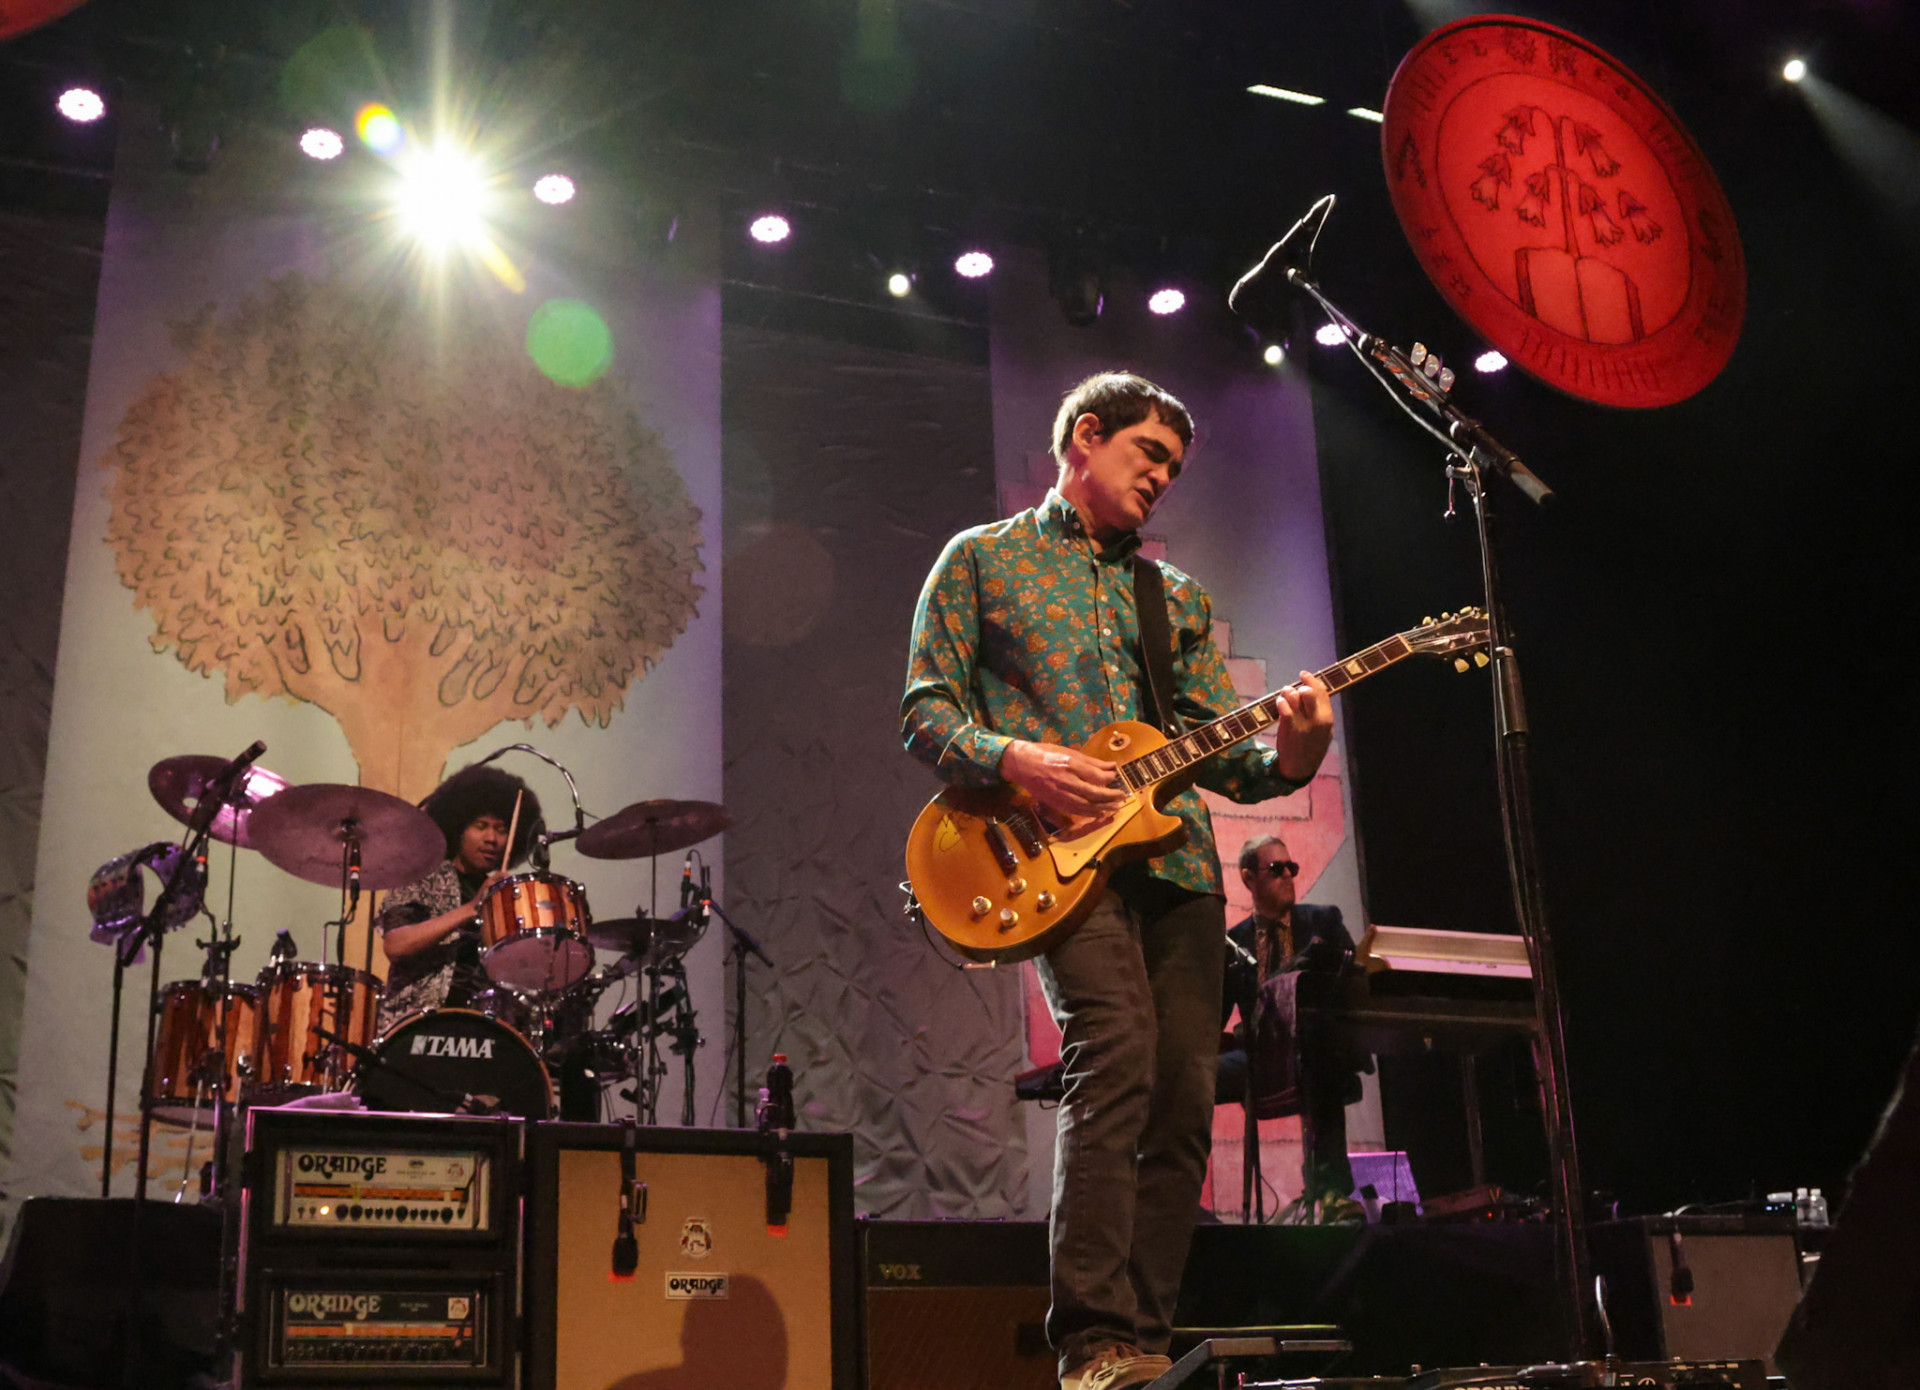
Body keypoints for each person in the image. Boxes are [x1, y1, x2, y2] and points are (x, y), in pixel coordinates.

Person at [901, 372, 1334, 1390]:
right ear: (1085, 439)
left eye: (1176, 470)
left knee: (1185, 1094)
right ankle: (1090, 1339)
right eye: (1149, 456)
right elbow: (925, 712)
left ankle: (1142, 1342)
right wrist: (1022, 760)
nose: (1163, 480)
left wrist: (1298, 754)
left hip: (1178, 866)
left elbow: (1222, 755)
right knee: (1118, 1050)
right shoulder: (982, 559)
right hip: (1049, 859)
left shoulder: (1172, 596)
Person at [1218, 834, 1366, 1223]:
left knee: (1317, 1054)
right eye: (1275, 869)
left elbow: (1352, 983)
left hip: (1314, 1048)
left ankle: (1330, 1190)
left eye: (1291, 868)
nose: (1287, 875)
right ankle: (1169, 1194)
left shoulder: (1323, 920)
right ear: (1249, 879)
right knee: (1193, 1077)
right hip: (1257, 1057)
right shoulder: (1233, 943)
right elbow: (1214, 1019)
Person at [376, 764, 542, 1032]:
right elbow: (396, 945)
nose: (492, 839)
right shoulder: (426, 874)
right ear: (458, 828)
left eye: (501, 829)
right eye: (481, 826)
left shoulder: (503, 894)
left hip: (484, 1029)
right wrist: (471, 908)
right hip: (418, 1027)